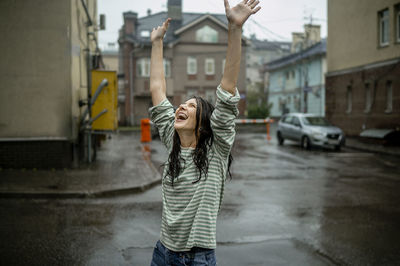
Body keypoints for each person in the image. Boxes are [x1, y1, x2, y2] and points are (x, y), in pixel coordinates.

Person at [149, 0, 261, 265]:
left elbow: (228, 88)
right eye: (183, 103)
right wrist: (157, 43)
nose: (182, 106)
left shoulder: (216, 150)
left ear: (203, 123)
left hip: (196, 258)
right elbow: (157, 90)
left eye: (191, 106)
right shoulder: (171, 139)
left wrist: (234, 29)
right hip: (162, 251)